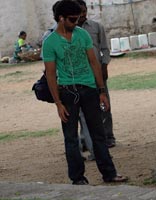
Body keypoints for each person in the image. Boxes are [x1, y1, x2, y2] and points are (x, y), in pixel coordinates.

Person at [42, 0, 128, 184]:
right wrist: (58, 103)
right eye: (72, 20)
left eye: (78, 19)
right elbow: (50, 74)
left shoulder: (82, 35)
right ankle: (78, 178)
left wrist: (101, 90)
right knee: (71, 137)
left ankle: (109, 173)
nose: (76, 23)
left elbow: (93, 62)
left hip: (89, 89)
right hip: (67, 92)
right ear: (60, 18)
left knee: (98, 134)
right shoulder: (49, 42)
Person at [76, 0, 116, 161]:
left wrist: (104, 65)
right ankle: (86, 140)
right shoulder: (70, 31)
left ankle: (108, 137)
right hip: (81, 76)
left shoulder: (96, 27)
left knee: (104, 106)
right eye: (79, 11)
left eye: (84, 10)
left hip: (98, 72)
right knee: (83, 110)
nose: (82, 14)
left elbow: (105, 49)